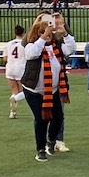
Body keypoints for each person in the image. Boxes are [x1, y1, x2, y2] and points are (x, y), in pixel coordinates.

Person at [19, 14, 70, 162]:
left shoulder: (56, 47)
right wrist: (43, 36)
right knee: (41, 119)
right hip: (34, 91)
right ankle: (40, 149)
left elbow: (71, 49)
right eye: (42, 32)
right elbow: (31, 54)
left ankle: (51, 141)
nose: (46, 35)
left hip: (53, 90)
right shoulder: (31, 46)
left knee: (58, 118)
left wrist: (64, 33)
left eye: (47, 32)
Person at [4, 24, 28, 119]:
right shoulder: (25, 43)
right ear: (24, 33)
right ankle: (15, 99)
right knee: (26, 91)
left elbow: (5, 58)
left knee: (14, 90)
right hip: (21, 68)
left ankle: (12, 112)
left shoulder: (8, 44)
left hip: (10, 68)